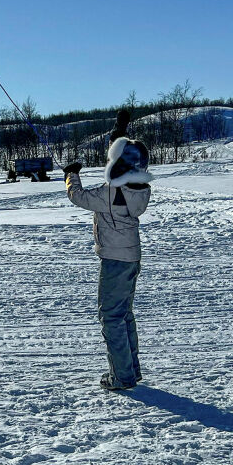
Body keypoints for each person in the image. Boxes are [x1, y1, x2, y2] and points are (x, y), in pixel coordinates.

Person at [63, 110, 153, 390]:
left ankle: (122, 377)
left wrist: (71, 175)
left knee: (111, 317)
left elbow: (77, 197)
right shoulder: (138, 187)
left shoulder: (111, 192)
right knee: (123, 314)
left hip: (115, 259)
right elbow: (121, 154)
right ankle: (131, 371)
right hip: (130, 257)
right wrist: (120, 128)